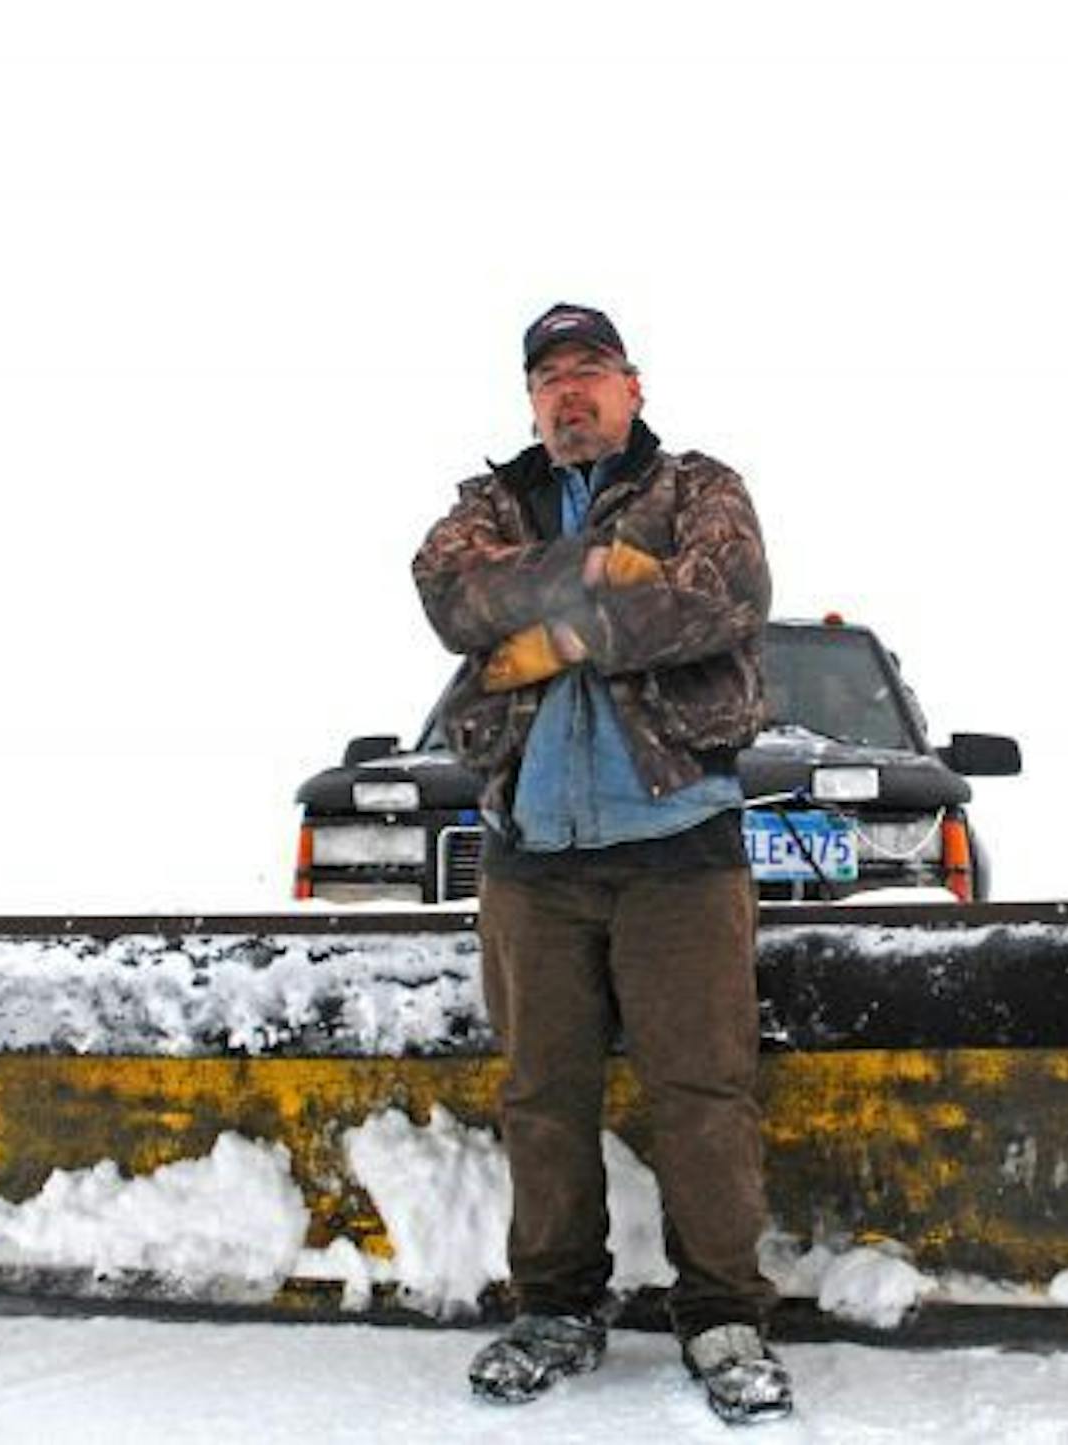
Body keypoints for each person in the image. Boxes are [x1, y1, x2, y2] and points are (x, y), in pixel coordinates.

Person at [411, 304, 792, 1424]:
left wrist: (544, 627)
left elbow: (721, 596)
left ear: (632, 384)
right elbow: (449, 595)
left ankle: (723, 1312)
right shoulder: (489, 502)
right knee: (541, 1093)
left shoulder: (700, 487)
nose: (568, 394)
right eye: (547, 379)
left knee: (705, 1092)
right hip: (532, 857)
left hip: (680, 850)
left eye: (589, 371)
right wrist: (598, 576)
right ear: (530, 402)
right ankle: (555, 1308)